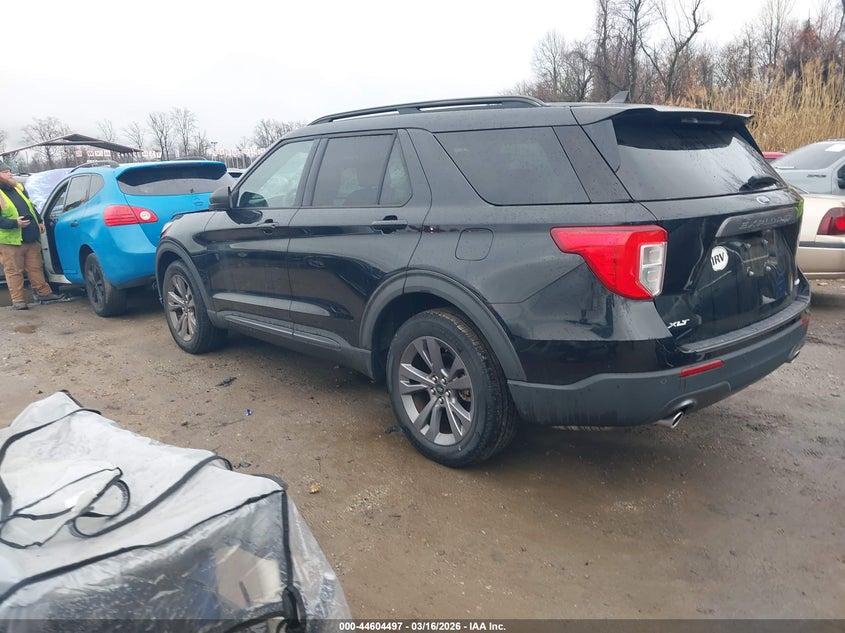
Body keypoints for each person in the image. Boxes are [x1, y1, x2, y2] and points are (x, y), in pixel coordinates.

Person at [0, 162, 64, 310]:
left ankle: (44, 294)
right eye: (5, 172)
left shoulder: (18, 187)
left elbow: (30, 206)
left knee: (36, 268)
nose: (10, 174)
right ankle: (19, 301)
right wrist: (14, 223)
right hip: (11, 241)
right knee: (14, 272)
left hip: (30, 237)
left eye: (10, 171)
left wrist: (39, 220)